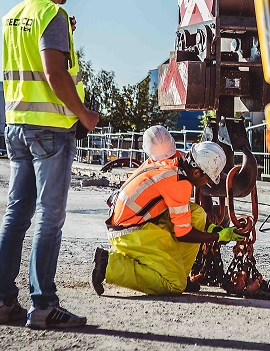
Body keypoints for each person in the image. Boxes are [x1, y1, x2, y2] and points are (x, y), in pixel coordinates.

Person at [0, 0, 99, 329]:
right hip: (50, 131)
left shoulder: (13, 16)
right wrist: (84, 114)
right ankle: (43, 306)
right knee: (49, 218)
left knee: (16, 214)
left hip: (15, 126)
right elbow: (54, 75)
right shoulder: (53, 14)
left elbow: (29, 65)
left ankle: (4, 304)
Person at [90, 126, 244, 296]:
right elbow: (183, 234)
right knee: (173, 284)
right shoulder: (179, 183)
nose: (208, 183)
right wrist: (217, 236)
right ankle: (110, 265)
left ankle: (182, 275)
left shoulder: (177, 161)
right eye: (208, 177)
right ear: (196, 172)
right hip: (129, 232)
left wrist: (210, 227)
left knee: (198, 215)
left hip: (142, 220)